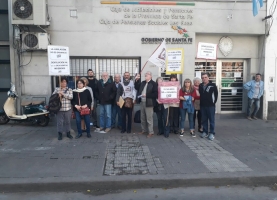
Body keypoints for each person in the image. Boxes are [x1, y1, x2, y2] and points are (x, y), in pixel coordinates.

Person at [135, 71, 158, 138]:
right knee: (142, 117)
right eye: (145, 75)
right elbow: (137, 87)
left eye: (147, 75)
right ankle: (143, 130)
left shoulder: (153, 84)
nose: (145, 76)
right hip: (142, 102)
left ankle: (151, 132)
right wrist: (136, 80)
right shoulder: (143, 82)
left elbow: (155, 94)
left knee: (149, 118)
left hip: (149, 103)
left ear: (150, 76)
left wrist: (146, 95)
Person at [199, 73, 218, 141]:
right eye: (203, 77)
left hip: (210, 106)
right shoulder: (200, 85)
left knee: (211, 120)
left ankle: (212, 133)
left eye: (205, 77)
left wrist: (213, 102)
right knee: (204, 120)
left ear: (208, 78)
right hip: (203, 105)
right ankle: (205, 132)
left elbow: (216, 95)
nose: (204, 79)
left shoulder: (213, 85)